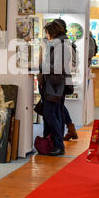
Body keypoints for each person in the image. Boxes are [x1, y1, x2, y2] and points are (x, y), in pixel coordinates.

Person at [38, 22, 69, 156]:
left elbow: (58, 68)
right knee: (53, 114)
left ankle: (58, 145)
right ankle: (53, 143)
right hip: (53, 84)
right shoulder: (59, 45)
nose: (46, 35)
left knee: (50, 114)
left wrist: (41, 66)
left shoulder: (60, 46)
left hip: (54, 84)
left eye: (47, 32)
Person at [52, 18, 78, 141]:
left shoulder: (65, 43)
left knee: (59, 107)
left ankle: (67, 130)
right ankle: (70, 128)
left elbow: (73, 63)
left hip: (61, 79)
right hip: (62, 78)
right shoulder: (63, 42)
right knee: (60, 106)